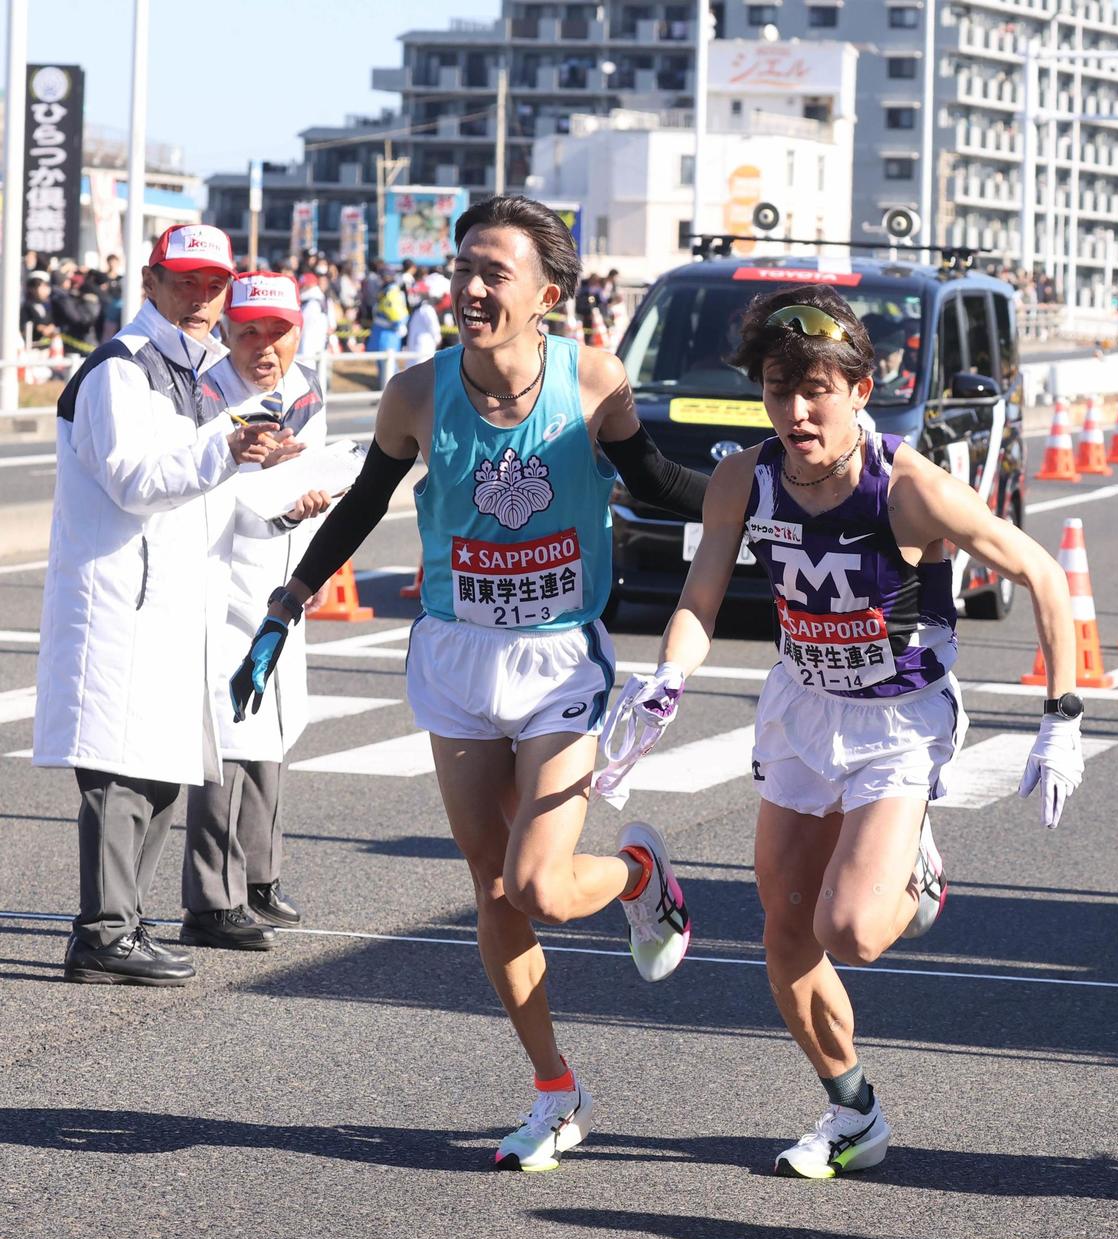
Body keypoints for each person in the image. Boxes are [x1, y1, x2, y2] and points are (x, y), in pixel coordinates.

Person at [229, 194, 709, 1170]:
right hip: (454, 653)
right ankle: (552, 1090)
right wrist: (290, 597)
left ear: (546, 293)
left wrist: (767, 496)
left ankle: (638, 874)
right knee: (492, 888)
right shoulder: (415, 392)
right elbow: (367, 500)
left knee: (538, 880)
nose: (472, 287)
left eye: (495, 271)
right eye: (464, 269)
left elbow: (657, 482)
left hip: (557, 657)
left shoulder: (594, 381)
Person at [624, 286, 1082, 1178]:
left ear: (860, 391)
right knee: (784, 934)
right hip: (801, 707)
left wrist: (1059, 722)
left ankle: (917, 861)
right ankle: (853, 1113)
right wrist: (667, 680)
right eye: (777, 389)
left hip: (897, 722)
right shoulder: (743, 477)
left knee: (854, 930)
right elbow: (702, 597)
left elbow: (1042, 574)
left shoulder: (909, 488)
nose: (795, 411)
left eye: (816, 391)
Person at [32, 222, 280, 986]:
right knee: (118, 772)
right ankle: (103, 931)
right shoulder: (121, 369)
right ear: (149, 280)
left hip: (168, 602)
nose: (202, 297)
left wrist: (265, 470)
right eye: (185, 282)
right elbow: (135, 480)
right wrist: (227, 449)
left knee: (161, 770)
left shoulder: (196, 369)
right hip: (119, 602)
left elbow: (198, 487)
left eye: (213, 284)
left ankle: (124, 926)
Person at [181, 272, 331, 951]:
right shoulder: (207, 394)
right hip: (221, 576)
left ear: (298, 331)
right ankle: (212, 900)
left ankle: (260, 877)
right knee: (229, 732)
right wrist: (274, 492)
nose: (263, 347)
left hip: (279, 576)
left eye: (277, 332)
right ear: (226, 332)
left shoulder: (304, 390)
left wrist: (309, 512)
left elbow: (313, 474)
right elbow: (212, 493)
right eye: (248, 332)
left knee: (273, 726)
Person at [295, 271, 330, 367]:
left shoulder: (311, 304)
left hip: (307, 351)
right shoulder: (322, 300)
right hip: (321, 347)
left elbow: (302, 328)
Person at [20, 272, 57, 347]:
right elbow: (22, 326)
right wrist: (37, 327)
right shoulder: (26, 306)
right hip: (32, 347)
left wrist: (52, 327)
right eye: (35, 286)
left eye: (45, 286)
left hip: (50, 347)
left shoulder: (53, 305)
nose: (39, 289)